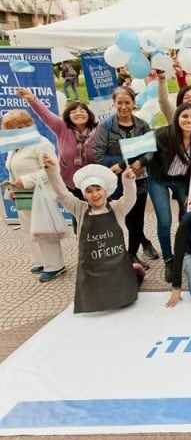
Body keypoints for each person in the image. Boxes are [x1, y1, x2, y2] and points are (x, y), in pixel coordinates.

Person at [44, 157, 146, 312]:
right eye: (89, 191)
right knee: (94, 301)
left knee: (125, 300)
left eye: (98, 189)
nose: (95, 194)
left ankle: (135, 272)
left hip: (117, 268)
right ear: (84, 195)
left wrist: (128, 181)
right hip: (92, 270)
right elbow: (62, 194)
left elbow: (130, 198)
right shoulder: (79, 208)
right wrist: (52, 171)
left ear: (106, 191)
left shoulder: (117, 207)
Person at [16, 87, 99, 233]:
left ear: (89, 114)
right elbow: (45, 114)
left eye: (83, 110)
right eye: (74, 111)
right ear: (68, 116)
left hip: (95, 182)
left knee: (98, 214)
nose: (78, 113)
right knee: (79, 216)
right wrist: (31, 99)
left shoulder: (99, 130)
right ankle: (83, 245)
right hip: (71, 183)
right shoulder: (62, 127)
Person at [93, 86, 156, 271]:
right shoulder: (105, 126)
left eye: (127, 102)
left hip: (139, 178)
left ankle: (132, 253)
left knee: (137, 219)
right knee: (122, 217)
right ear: (114, 103)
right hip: (117, 182)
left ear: (133, 103)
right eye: (119, 103)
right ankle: (130, 249)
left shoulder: (142, 125)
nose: (123, 107)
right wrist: (122, 165)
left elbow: (151, 149)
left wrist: (142, 162)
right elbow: (98, 155)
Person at [146, 103, 191, 281]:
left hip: (181, 180)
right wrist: (135, 165)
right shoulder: (164, 134)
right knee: (165, 220)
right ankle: (168, 259)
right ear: (177, 118)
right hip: (159, 179)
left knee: (186, 217)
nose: (188, 120)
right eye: (184, 116)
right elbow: (148, 153)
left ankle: (183, 253)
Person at [3, 110, 66, 282]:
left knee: (43, 229)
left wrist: (26, 180)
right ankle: (41, 261)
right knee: (28, 229)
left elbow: (51, 169)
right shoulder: (13, 147)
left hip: (40, 192)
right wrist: (10, 187)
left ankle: (55, 265)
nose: (18, 130)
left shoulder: (41, 143)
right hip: (21, 193)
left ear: (30, 125)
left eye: (21, 126)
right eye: (13, 128)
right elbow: (12, 168)